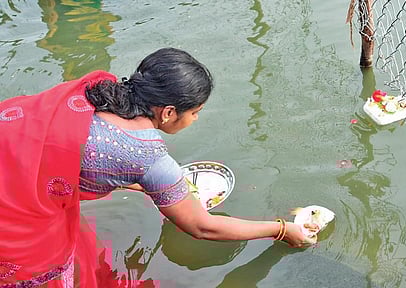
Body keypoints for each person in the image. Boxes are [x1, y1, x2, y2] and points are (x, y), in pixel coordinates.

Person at [0, 47, 316, 288]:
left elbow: (77, 156)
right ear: (167, 113)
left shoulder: (94, 92)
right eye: (196, 112)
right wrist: (281, 230)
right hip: (16, 221)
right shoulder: (147, 156)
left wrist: (144, 185)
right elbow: (202, 226)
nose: (196, 120)